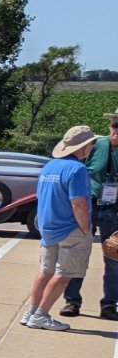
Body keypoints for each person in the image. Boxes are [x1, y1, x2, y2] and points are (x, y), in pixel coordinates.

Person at [22, 124, 98, 330]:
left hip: (49, 227)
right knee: (64, 274)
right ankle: (41, 315)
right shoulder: (78, 169)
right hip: (70, 228)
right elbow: (78, 204)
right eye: (91, 144)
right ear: (83, 147)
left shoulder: (49, 166)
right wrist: (86, 229)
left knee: (45, 272)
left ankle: (31, 312)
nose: (91, 148)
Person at [61, 112, 118, 319]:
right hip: (90, 205)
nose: (116, 130)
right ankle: (72, 302)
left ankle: (109, 305)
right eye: (115, 125)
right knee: (79, 252)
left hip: (115, 209)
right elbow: (76, 170)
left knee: (114, 257)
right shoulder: (95, 145)